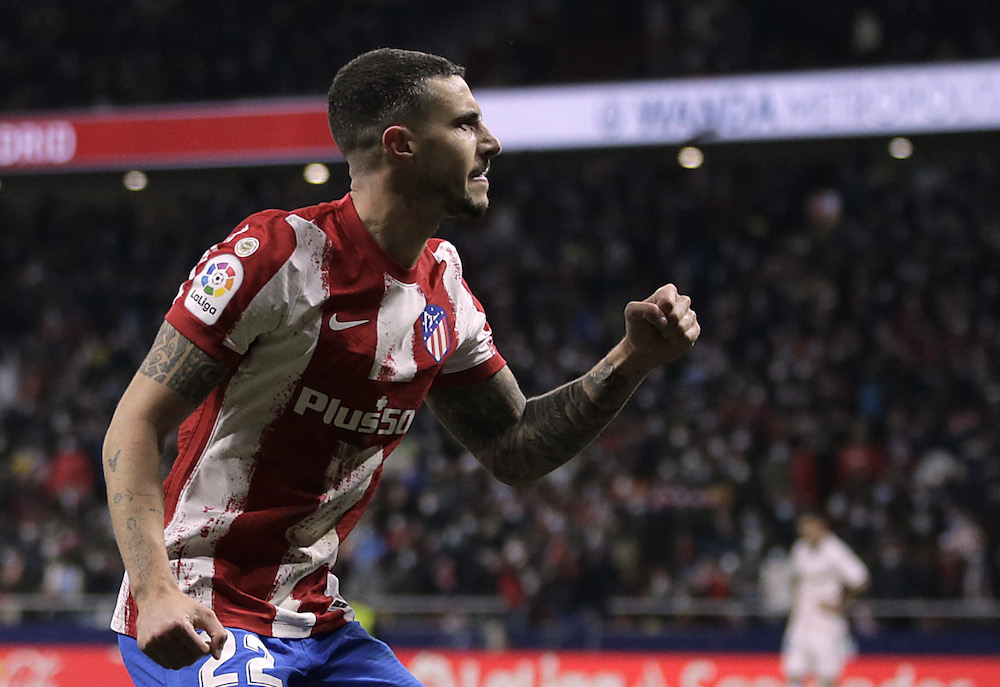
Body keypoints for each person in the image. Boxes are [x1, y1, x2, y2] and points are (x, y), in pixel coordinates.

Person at [103, 47, 701, 686]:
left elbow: (515, 446)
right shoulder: (276, 258)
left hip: (316, 622)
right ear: (401, 145)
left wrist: (633, 359)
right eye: (466, 124)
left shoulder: (444, 290)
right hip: (200, 606)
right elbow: (134, 424)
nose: (491, 142)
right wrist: (154, 590)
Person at [782, 510, 869, 687]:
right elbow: (793, 578)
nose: (806, 531)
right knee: (793, 672)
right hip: (800, 621)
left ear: (820, 526)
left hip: (826, 624)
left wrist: (841, 605)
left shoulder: (835, 550)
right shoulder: (800, 549)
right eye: (803, 527)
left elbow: (861, 579)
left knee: (827, 677)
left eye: (809, 526)